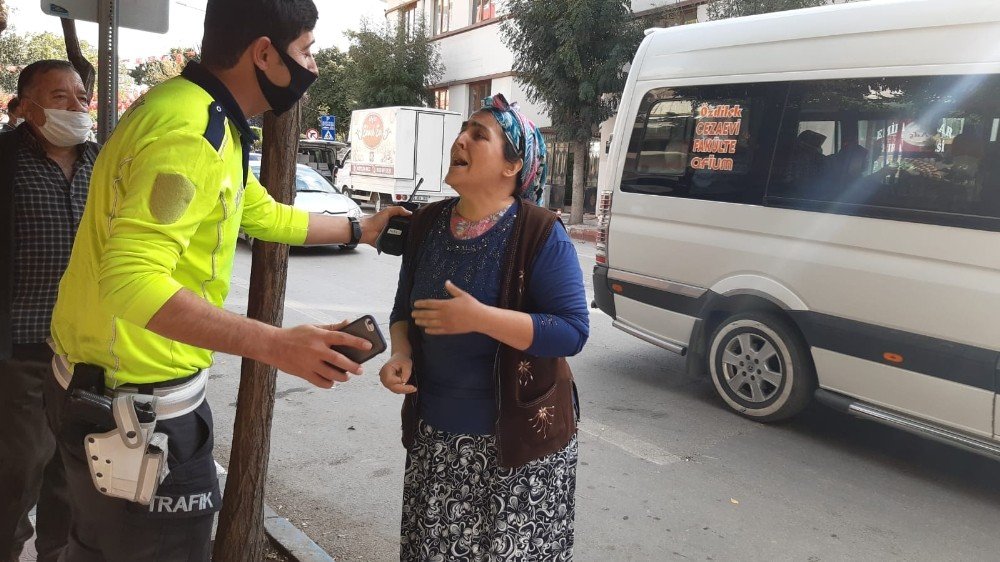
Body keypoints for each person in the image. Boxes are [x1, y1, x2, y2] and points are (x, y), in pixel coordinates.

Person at [43, 1, 407, 559]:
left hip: (114, 389)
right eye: (306, 50)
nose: (313, 66)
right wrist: (279, 344)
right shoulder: (192, 133)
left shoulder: (196, 112)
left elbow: (258, 212)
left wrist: (362, 227)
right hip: (132, 413)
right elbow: (131, 281)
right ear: (264, 53)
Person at [380, 94, 589, 561]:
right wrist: (401, 354)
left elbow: (572, 331)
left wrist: (480, 319)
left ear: (512, 167)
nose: (461, 140)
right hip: (437, 437)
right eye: (463, 131)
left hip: (518, 449)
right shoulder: (428, 223)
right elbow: (403, 310)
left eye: (479, 135)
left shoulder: (540, 232)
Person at [0, 60, 96, 562]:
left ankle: (56, 554)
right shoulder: (6, 160)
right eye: (60, 97)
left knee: (71, 473)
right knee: (18, 470)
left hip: (85, 350)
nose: (76, 106)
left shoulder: (102, 164)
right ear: (25, 106)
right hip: (23, 349)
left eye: (81, 97)